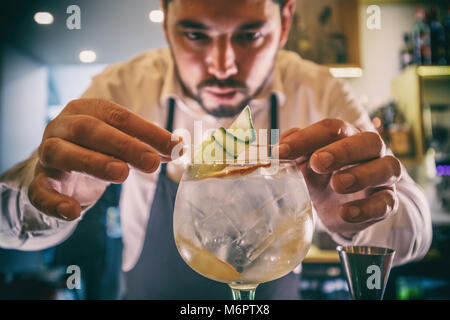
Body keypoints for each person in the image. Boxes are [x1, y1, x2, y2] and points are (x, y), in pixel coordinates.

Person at [0, 0, 432, 299]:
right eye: (195, 34)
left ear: (284, 22)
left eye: (250, 35)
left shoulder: (317, 89)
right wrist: (48, 198)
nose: (223, 64)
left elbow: (415, 221)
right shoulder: (123, 87)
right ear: (165, 19)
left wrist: (364, 214)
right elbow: (8, 221)